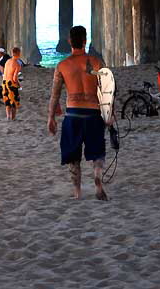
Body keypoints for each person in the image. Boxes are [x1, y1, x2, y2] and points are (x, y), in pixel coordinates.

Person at [47, 25, 108, 200]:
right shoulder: (97, 63)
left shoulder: (62, 65)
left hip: (73, 114)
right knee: (97, 151)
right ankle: (97, 176)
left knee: (73, 156)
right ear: (85, 40)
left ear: (69, 42)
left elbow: (55, 95)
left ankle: (77, 191)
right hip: (93, 113)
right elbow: (107, 91)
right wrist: (110, 113)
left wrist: (51, 117)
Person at [2, 47, 22, 120]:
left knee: (7, 100)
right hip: (11, 83)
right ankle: (13, 118)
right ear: (19, 54)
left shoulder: (7, 61)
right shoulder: (17, 64)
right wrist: (19, 84)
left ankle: (8, 116)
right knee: (14, 102)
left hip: (4, 82)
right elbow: (14, 78)